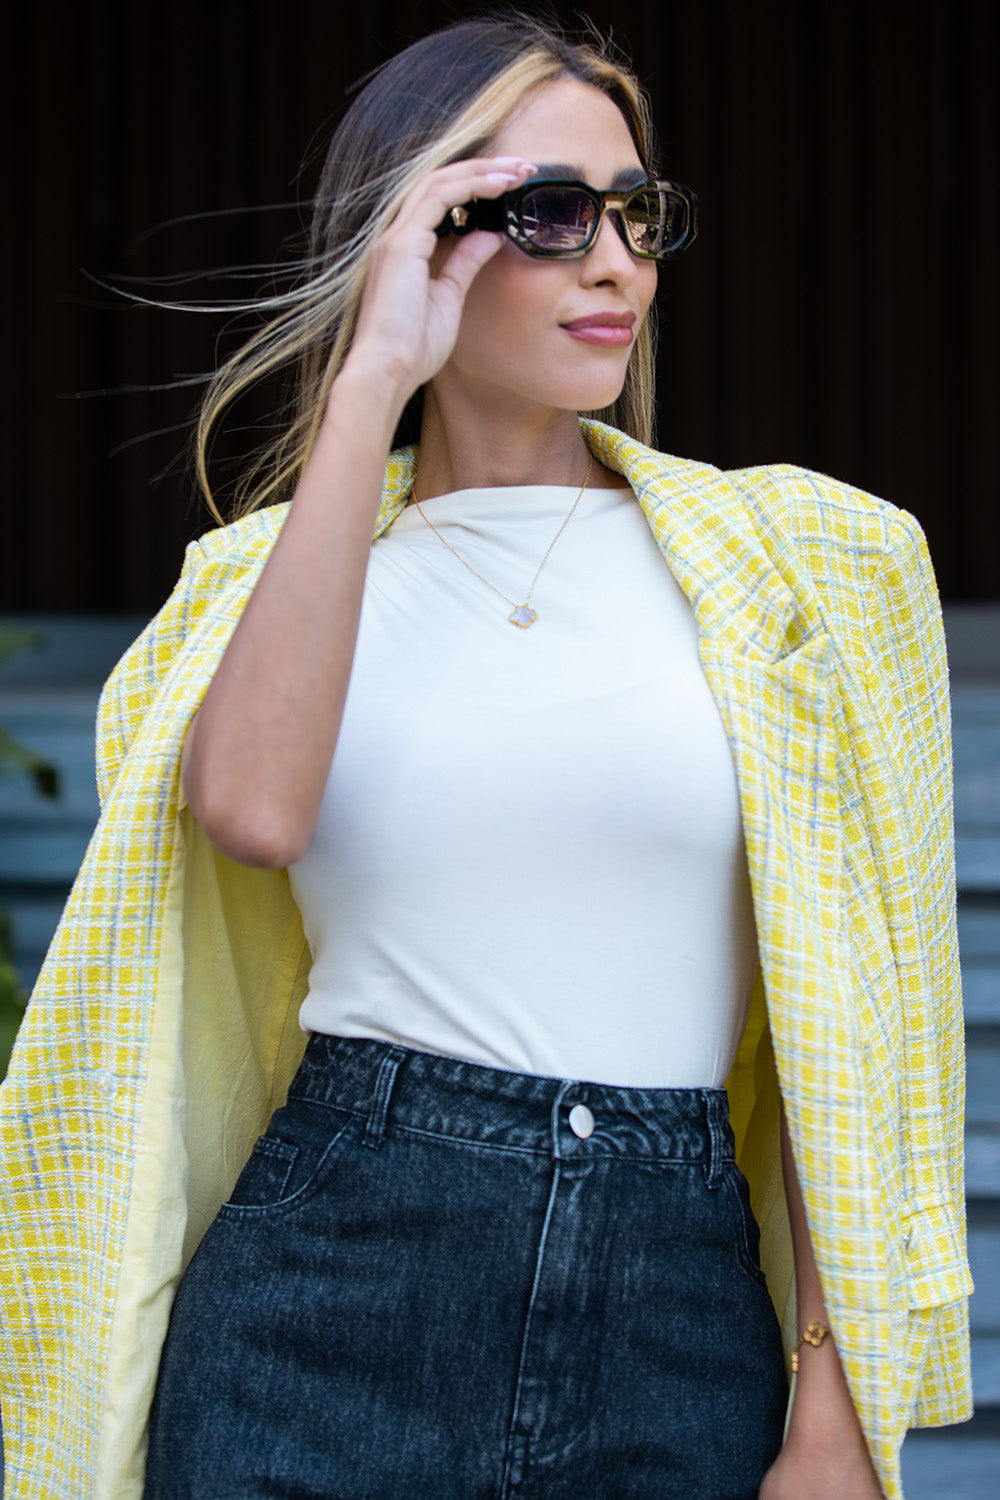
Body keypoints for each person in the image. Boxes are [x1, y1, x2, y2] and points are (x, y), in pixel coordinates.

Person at [0, 13, 971, 1500]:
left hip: (677, 1320)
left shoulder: (817, 567)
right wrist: (375, 371)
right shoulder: (267, 585)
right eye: (546, 211)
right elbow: (252, 811)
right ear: (420, 236)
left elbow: (873, 1016)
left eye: (636, 215)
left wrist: (835, 1406)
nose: (613, 262)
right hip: (327, 1293)